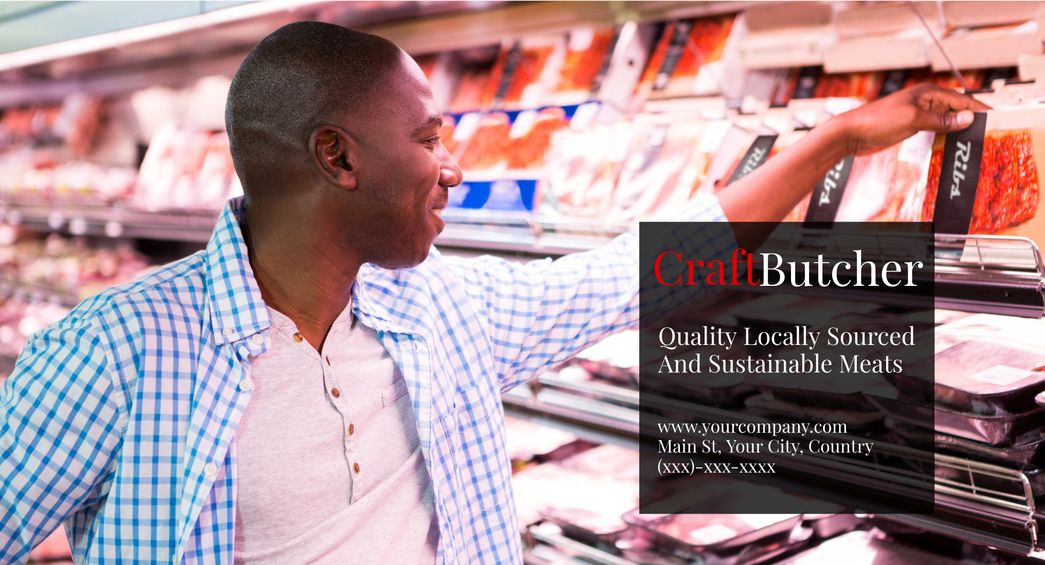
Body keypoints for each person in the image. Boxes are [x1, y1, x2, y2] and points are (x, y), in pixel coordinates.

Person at [1, 20, 988, 565]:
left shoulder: (439, 310)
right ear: (337, 157)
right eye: (428, 137)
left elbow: (638, 272)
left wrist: (838, 141)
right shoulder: (116, 351)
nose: (452, 167)